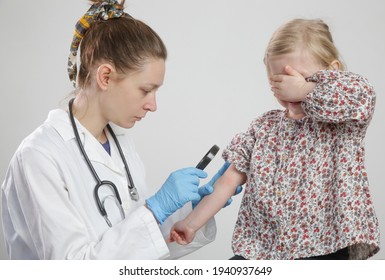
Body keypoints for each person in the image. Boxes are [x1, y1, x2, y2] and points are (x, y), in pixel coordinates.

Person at [0, 0, 240, 260]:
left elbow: (139, 250)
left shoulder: (121, 144)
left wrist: (196, 213)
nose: (153, 105)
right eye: (145, 90)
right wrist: (155, 208)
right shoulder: (40, 156)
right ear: (105, 77)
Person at [169, 18, 380, 260]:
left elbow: (363, 93)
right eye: (279, 83)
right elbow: (228, 180)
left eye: (300, 79)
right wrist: (192, 224)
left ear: (331, 72)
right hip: (267, 250)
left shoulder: (343, 119)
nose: (289, 91)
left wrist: (304, 90)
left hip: (329, 246)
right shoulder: (264, 128)